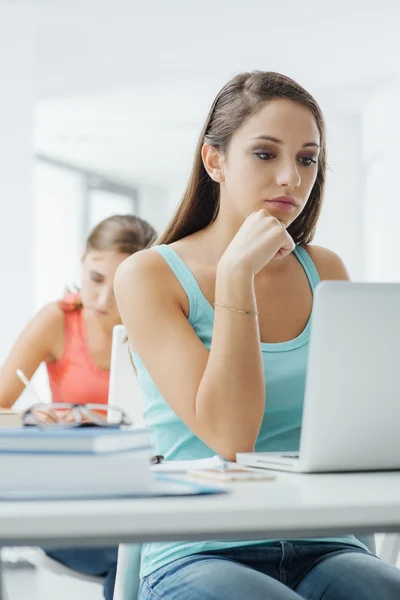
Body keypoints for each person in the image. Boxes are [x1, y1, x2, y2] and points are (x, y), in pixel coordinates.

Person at [114, 71, 400, 600]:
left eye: (307, 158)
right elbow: (231, 437)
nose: (291, 177)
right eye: (266, 154)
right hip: (198, 549)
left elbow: (363, 426)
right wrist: (234, 276)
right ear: (214, 161)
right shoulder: (148, 274)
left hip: (326, 543)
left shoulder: (325, 270)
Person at [0, 214, 156, 600]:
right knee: (131, 557)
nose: (103, 300)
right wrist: (37, 418)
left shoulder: (157, 326)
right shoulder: (56, 321)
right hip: (68, 500)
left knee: (152, 550)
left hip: (135, 493)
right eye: (96, 278)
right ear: (82, 259)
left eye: (120, 287)